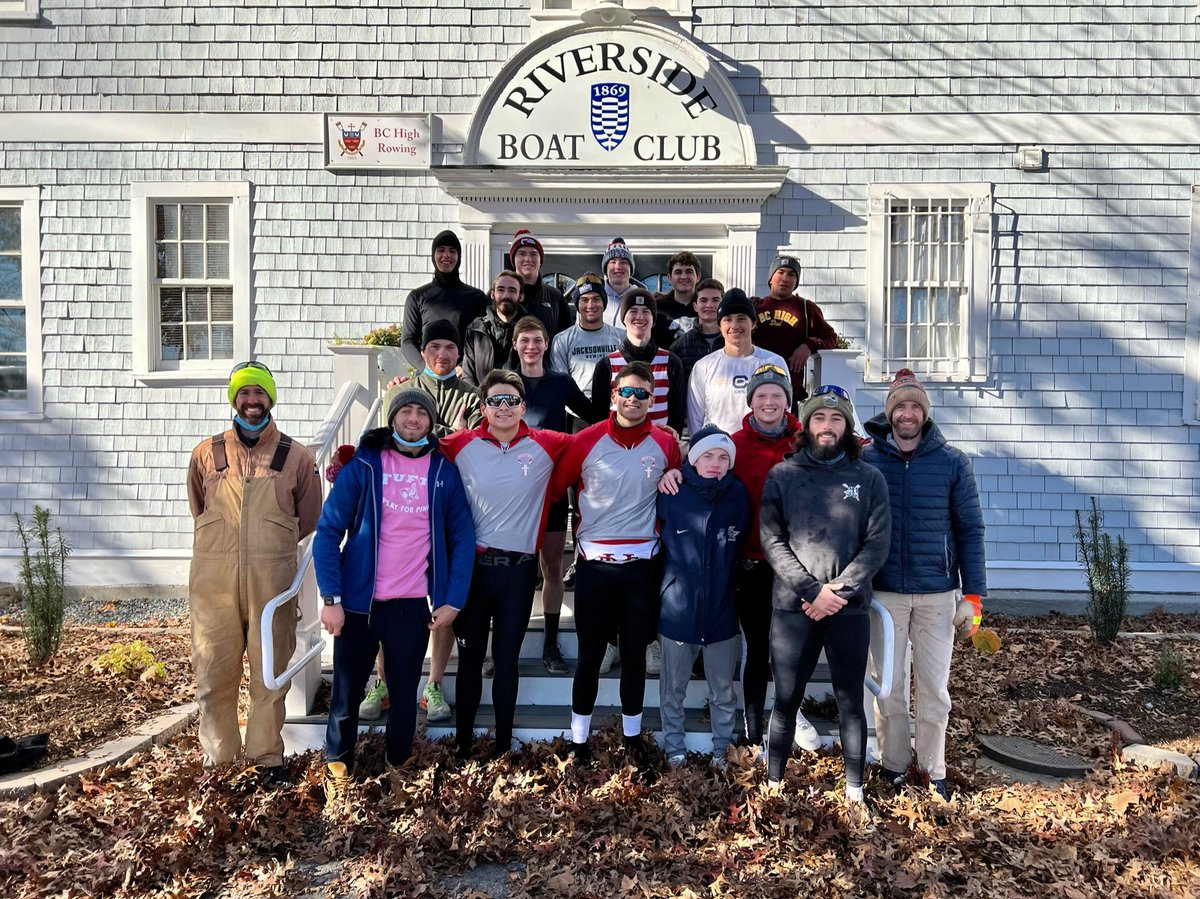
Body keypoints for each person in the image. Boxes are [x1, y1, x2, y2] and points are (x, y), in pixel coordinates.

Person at [314, 389, 475, 802]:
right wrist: (330, 597)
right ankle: (339, 767)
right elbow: (329, 530)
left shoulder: (443, 471)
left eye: (422, 412)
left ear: (431, 421)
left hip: (411, 605)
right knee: (347, 692)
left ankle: (397, 765)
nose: (414, 419)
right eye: (406, 411)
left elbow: (462, 536)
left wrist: (453, 599)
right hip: (357, 603)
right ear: (393, 418)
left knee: (404, 695)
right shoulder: (365, 465)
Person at [187, 362, 321, 785]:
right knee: (213, 672)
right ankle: (220, 763)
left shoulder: (296, 456)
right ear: (234, 399)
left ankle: (265, 759)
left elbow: (310, 516)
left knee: (270, 674)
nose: (251, 402)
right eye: (244, 394)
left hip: (272, 581)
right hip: (214, 582)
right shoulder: (207, 453)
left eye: (259, 394)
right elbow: (198, 507)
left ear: (270, 399)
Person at [759, 385, 890, 810]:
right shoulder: (783, 475)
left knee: (851, 700)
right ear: (806, 424)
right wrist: (813, 591)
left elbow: (876, 545)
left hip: (848, 610)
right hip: (792, 607)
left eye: (836, 419)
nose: (827, 426)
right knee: (785, 699)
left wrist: (838, 593)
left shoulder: (868, 478)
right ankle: (774, 785)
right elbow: (772, 540)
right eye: (819, 418)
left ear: (848, 425)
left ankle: (855, 791)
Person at [550, 362, 682, 770]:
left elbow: (676, 483)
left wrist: (675, 472)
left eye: (643, 393)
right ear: (613, 395)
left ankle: (632, 737)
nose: (634, 400)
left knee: (635, 657)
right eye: (627, 392)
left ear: (652, 399)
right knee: (589, 656)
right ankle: (579, 741)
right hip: (595, 567)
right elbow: (556, 489)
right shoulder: (585, 440)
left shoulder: (665, 442)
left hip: (642, 567)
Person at [863, 369, 987, 800]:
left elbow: (970, 530)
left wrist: (972, 595)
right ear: (890, 413)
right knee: (889, 685)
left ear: (925, 414)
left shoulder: (952, 463)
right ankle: (894, 764)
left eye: (915, 407)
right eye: (901, 407)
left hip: (937, 592)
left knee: (934, 687)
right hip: (884, 592)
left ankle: (934, 770)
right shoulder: (868, 460)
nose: (908, 414)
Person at [439, 371, 572, 759]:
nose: (503, 408)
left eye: (511, 400)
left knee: (507, 661)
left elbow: (593, 443)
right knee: (470, 660)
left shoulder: (546, 444)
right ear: (482, 408)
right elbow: (413, 448)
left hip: (517, 572)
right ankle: (463, 744)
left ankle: (501, 746)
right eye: (495, 401)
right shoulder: (460, 444)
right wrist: (352, 457)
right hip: (474, 573)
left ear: (523, 408)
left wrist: (667, 445)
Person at [366, 319, 481, 721]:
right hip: (402, 507)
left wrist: (445, 435)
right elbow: (394, 436)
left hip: (446, 501)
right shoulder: (400, 388)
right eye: (435, 346)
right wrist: (449, 432)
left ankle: (432, 683)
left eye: (450, 347)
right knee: (389, 594)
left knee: (443, 599)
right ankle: (381, 682)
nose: (442, 354)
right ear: (424, 350)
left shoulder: (471, 392)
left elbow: (465, 442)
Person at [509, 315, 601, 673]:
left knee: (550, 565)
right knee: (514, 571)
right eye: (524, 340)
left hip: (551, 489)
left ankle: (550, 643)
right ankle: (503, 645)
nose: (531, 347)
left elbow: (593, 417)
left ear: (547, 345)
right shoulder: (503, 382)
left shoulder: (560, 383)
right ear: (515, 344)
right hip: (509, 495)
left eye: (537, 340)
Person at [656, 426, 749, 769]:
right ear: (693, 459)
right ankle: (675, 749)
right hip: (678, 609)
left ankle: (722, 750)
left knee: (723, 689)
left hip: (722, 609)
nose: (715, 463)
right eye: (707, 456)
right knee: (673, 688)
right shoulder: (672, 490)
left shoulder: (738, 494)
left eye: (723, 457)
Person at [686, 288, 787, 436]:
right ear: (720, 326)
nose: (734, 326)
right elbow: (695, 420)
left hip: (760, 451)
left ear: (753, 323)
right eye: (727, 319)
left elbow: (784, 412)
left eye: (741, 318)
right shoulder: (703, 366)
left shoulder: (774, 363)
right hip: (718, 453)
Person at [589, 289, 686, 435]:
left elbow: (677, 416)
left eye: (646, 311)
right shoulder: (606, 365)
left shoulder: (671, 362)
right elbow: (599, 420)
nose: (640, 317)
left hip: (658, 448)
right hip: (618, 448)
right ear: (624, 318)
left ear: (653, 319)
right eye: (633, 311)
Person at [752, 255, 839, 404]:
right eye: (781, 272)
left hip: (790, 390)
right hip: (754, 386)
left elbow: (830, 338)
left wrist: (808, 345)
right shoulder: (754, 306)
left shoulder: (806, 309)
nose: (785, 278)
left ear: (796, 282)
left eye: (791, 274)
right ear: (770, 278)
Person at [401, 230, 489, 371]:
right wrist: (426, 369)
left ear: (459, 257)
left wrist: (464, 367)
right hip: (427, 375)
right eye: (441, 250)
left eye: (452, 251)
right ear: (433, 255)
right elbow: (407, 341)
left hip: (464, 375)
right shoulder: (417, 297)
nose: (446, 255)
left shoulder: (476, 297)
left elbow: (484, 339)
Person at [549, 273, 623, 399]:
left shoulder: (622, 337)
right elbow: (560, 383)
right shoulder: (562, 340)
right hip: (577, 414)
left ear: (604, 302)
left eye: (596, 299)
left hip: (614, 410)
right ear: (577, 305)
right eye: (584, 300)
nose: (590, 305)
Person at [461, 270, 528, 387]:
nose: (505, 295)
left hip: (521, 402)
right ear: (492, 294)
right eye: (500, 290)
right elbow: (468, 376)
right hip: (483, 401)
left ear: (521, 296)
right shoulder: (476, 329)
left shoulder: (531, 329)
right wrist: (479, 403)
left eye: (512, 290)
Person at [508, 229, 574, 338]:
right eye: (521, 254)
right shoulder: (502, 295)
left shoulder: (555, 297)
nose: (528, 259)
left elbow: (568, 339)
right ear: (513, 259)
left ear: (540, 260)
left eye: (533, 254)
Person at [670, 277, 725, 384]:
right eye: (703, 300)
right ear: (695, 306)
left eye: (715, 300)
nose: (709, 305)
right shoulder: (679, 347)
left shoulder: (734, 343)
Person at [598, 237, 644, 329]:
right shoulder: (592, 299)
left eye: (623, 262)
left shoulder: (644, 299)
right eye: (613, 262)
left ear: (630, 269)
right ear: (605, 269)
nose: (618, 267)